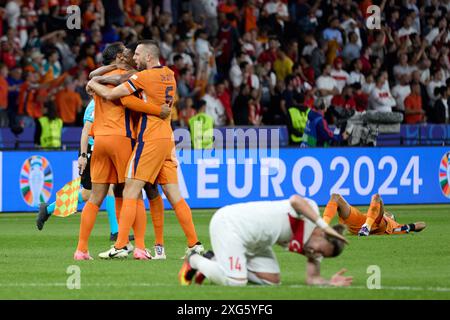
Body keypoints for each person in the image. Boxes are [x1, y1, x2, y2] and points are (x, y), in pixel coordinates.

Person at [87, 40, 204, 260]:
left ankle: (122, 245)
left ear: (149, 57)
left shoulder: (144, 77)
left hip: (149, 139)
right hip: (167, 139)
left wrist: (94, 83)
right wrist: (103, 77)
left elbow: (116, 95)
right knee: (171, 194)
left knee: (131, 189)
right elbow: (123, 79)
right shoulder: (169, 74)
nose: (135, 57)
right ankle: (193, 244)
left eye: (138, 54)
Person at [179, 195, 352, 287]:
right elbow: (295, 200)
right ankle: (195, 260)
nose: (316, 254)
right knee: (236, 283)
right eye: (321, 251)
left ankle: (216, 261)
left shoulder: (313, 248)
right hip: (231, 226)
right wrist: (325, 224)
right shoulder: (310, 213)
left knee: (272, 280)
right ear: (322, 233)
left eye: (322, 255)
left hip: (256, 243)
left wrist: (330, 283)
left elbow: (312, 279)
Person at [35, 99, 123, 242]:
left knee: (92, 193)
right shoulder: (95, 105)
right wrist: (83, 155)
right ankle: (115, 231)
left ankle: (48, 209)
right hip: (90, 151)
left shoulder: (106, 102)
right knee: (103, 189)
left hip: (101, 150)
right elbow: (86, 131)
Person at [322, 193, 426, 237]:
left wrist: (409, 227)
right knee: (335, 197)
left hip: (378, 225)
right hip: (359, 223)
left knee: (376, 196)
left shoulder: (395, 226)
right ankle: (322, 226)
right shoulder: (369, 215)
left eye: (389, 214)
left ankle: (366, 227)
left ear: (392, 218)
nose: (387, 213)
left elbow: (422, 224)